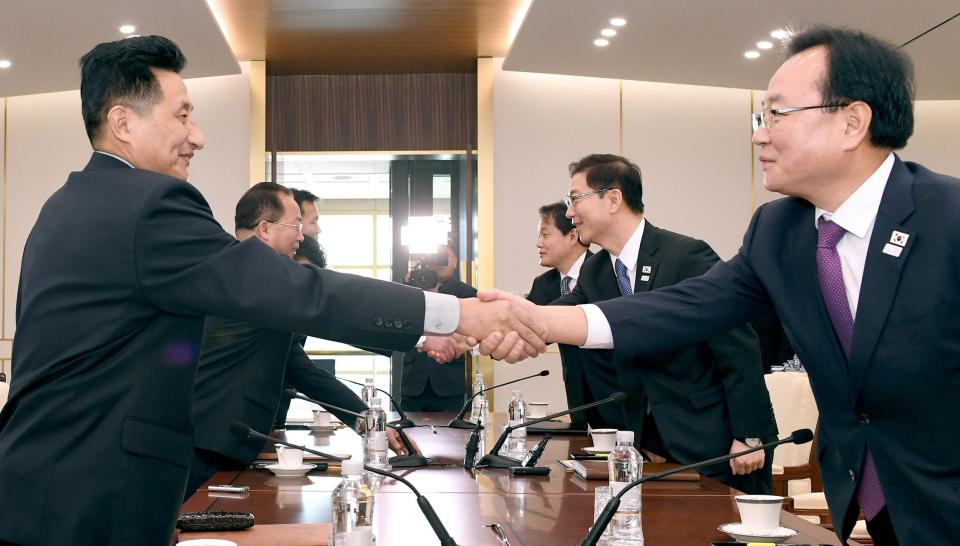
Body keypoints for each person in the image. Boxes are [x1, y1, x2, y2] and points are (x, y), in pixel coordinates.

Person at [0, 35, 540, 546]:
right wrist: (452, 314)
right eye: (183, 114)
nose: (198, 135)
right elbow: (300, 294)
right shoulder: (146, 205)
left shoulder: (68, 203)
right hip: (91, 491)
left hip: (51, 478)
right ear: (122, 122)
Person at [480, 25, 956, 545]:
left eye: (777, 114)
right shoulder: (781, 231)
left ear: (852, 122)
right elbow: (689, 306)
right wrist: (543, 320)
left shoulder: (946, 217)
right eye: (761, 116)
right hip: (877, 501)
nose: (759, 133)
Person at [554, 154, 777, 492]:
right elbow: (560, 315)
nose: (569, 212)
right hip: (651, 448)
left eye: (575, 198)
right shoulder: (596, 271)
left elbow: (738, 346)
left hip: (715, 441)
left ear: (613, 199)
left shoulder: (686, 256)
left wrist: (749, 434)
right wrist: (498, 321)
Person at [187, 183, 415, 498]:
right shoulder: (257, 277)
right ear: (265, 229)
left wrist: (368, 423)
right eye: (296, 225)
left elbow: (297, 366)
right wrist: (423, 335)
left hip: (215, 435)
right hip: (209, 435)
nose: (302, 235)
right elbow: (337, 312)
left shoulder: (236, 269)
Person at [526, 201, 591, 428]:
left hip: (616, 392)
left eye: (545, 235)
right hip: (576, 392)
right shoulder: (544, 284)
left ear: (572, 236)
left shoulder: (605, 272)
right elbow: (524, 327)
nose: (538, 243)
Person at [400, 244, 478, 411]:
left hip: (448, 381)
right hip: (413, 381)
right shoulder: (413, 288)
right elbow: (402, 319)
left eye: (443, 258)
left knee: (450, 434)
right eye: (434, 258)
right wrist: (408, 285)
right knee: (408, 433)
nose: (438, 263)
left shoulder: (467, 293)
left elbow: (472, 331)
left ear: (455, 260)